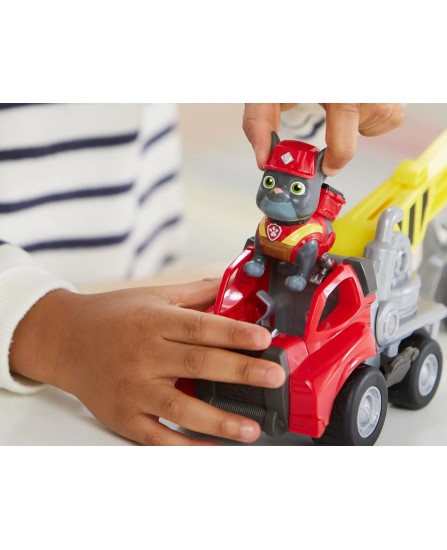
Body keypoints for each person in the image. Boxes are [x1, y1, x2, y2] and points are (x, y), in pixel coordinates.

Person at [0, 103, 404, 445]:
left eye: (293, 188)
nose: (278, 193)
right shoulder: (269, 229)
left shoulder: (307, 234)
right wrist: (53, 332)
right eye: (271, 183)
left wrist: (298, 104)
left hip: (136, 268)